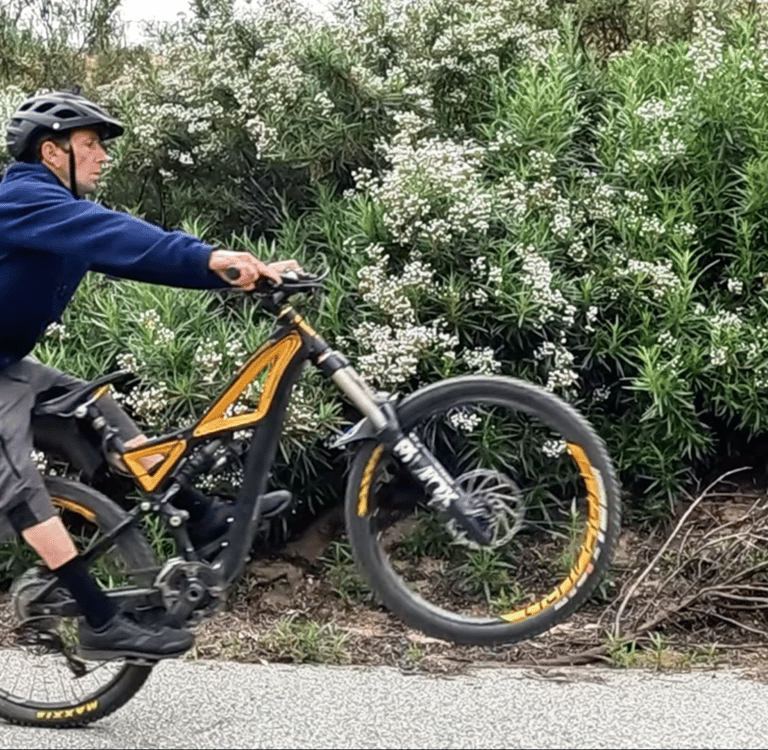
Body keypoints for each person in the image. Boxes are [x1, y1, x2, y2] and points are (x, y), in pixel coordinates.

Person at [0, 89, 298, 661]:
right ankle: (99, 621)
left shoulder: (63, 215)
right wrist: (213, 259)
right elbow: (121, 237)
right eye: (89, 144)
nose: (102, 156)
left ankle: (202, 515)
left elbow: (140, 250)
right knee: (17, 481)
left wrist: (232, 272)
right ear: (51, 152)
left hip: (7, 364)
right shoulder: (24, 201)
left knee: (98, 409)